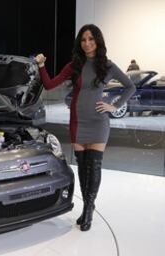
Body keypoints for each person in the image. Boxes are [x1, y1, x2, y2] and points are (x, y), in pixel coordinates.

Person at [35, 24, 136, 231]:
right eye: (83, 39)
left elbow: (130, 86)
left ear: (97, 41)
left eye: (91, 39)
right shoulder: (74, 65)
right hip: (78, 121)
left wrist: (114, 105)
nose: (87, 43)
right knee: (82, 167)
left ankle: (88, 210)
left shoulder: (107, 65)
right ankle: (87, 207)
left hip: (99, 121)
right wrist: (42, 66)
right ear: (79, 43)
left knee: (95, 166)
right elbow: (49, 84)